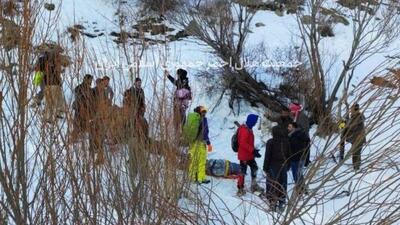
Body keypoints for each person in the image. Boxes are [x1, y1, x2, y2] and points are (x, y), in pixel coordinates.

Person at [263, 126, 291, 211]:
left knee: (272, 183)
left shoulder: (270, 142)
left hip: (273, 166)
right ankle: (281, 202)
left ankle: (272, 202)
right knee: (282, 183)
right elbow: (289, 155)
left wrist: (265, 167)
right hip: (283, 166)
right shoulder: (286, 142)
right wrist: (288, 166)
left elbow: (267, 156)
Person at [237, 114, 263, 196]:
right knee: (243, 172)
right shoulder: (245, 130)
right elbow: (242, 143)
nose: (255, 123)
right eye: (254, 122)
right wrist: (253, 150)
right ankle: (240, 189)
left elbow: (248, 142)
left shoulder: (248, 128)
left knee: (254, 168)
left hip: (249, 154)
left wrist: (254, 150)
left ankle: (254, 185)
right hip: (244, 155)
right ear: (251, 121)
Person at [187, 106, 212, 184]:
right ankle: (199, 178)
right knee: (201, 161)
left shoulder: (193, 119)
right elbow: (205, 133)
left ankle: (194, 178)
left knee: (194, 161)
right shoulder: (203, 120)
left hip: (192, 143)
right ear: (200, 112)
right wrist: (208, 143)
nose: (204, 113)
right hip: (200, 143)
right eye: (203, 112)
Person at [42, 50, 66, 123]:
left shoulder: (43, 62)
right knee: (54, 101)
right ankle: (52, 116)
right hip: (55, 84)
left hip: (47, 84)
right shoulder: (55, 62)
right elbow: (59, 71)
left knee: (50, 101)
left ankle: (49, 117)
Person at [341, 103, 366, 171]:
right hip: (354, 139)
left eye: (356, 109)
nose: (354, 110)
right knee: (356, 153)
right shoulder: (352, 117)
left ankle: (356, 168)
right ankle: (357, 167)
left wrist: (345, 121)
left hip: (358, 138)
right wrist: (343, 121)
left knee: (356, 153)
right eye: (353, 109)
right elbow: (341, 127)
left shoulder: (359, 117)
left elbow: (351, 125)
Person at [288, 122, 310, 194]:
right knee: (299, 173)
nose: (288, 128)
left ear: (294, 128)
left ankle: (300, 189)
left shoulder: (294, 136)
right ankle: (303, 188)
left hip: (295, 159)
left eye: (290, 127)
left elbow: (294, 148)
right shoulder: (301, 134)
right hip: (302, 158)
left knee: (296, 175)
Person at [288, 102, 311, 166]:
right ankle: (303, 161)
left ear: (295, 110)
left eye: (292, 110)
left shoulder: (302, 116)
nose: (291, 111)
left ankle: (306, 163)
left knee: (305, 149)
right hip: (298, 136)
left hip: (303, 136)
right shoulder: (296, 115)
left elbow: (304, 128)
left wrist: (293, 131)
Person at [72, 74, 94, 138]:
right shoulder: (79, 87)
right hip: (80, 107)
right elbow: (78, 97)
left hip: (86, 109)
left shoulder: (90, 89)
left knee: (84, 124)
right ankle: (74, 138)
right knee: (77, 124)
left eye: (91, 80)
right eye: (90, 80)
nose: (91, 82)